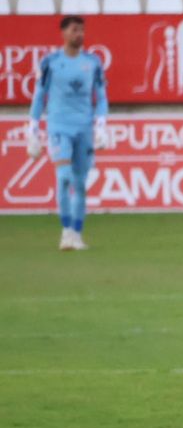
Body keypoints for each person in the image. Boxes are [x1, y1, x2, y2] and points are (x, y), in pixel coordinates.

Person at [25, 16, 108, 252]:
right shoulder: (51, 62)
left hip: (84, 128)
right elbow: (40, 96)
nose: (79, 34)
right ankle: (65, 232)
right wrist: (33, 130)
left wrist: (101, 125)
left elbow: (101, 96)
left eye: (82, 30)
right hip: (59, 127)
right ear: (63, 33)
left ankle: (75, 234)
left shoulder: (93, 62)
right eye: (74, 30)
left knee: (80, 184)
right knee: (64, 176)